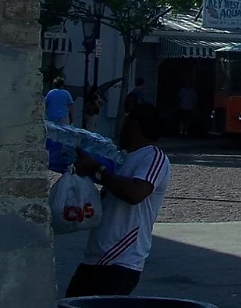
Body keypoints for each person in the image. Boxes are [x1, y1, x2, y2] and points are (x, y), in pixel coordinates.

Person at [66, 104, 171, 298]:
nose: (121, 127)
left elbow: (135, 193)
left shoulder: (153, 157)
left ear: (135, 125)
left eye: (125, 122)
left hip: (120, 260)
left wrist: (99, 170)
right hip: (95, 257)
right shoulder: (121, 159)